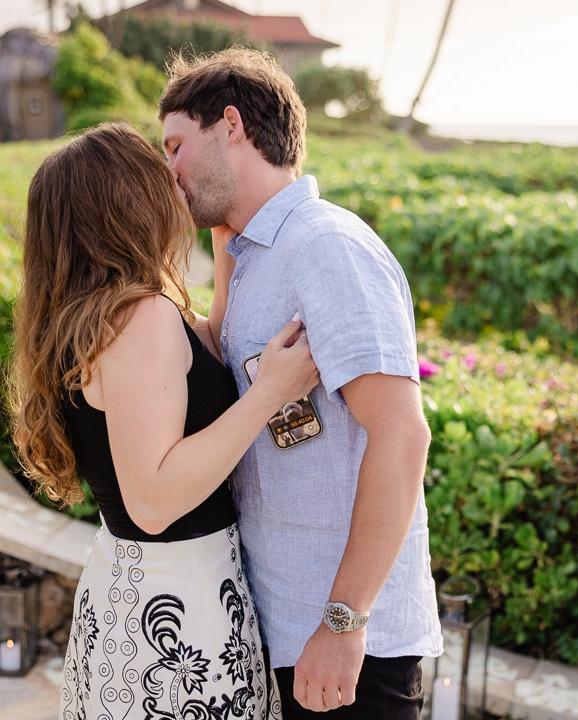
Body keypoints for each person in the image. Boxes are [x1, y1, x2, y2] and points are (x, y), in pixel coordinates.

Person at [159, 49, 443, 719]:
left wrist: (344, 623)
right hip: (282, 628)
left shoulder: (325, 247)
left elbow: (402, 436)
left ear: (231, 126)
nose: (168, 170)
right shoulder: (256, 256)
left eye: (175, 146)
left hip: (346, 648)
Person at [9, 123, 319, 720]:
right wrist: (269, 395)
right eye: (157, 169)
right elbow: (152, 501)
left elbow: (208, 356)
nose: (174, 178)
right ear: (128, 201)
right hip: (173, 614)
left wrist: (225, 241)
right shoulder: (139, 318)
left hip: (139, 591)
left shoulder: (103, 313)